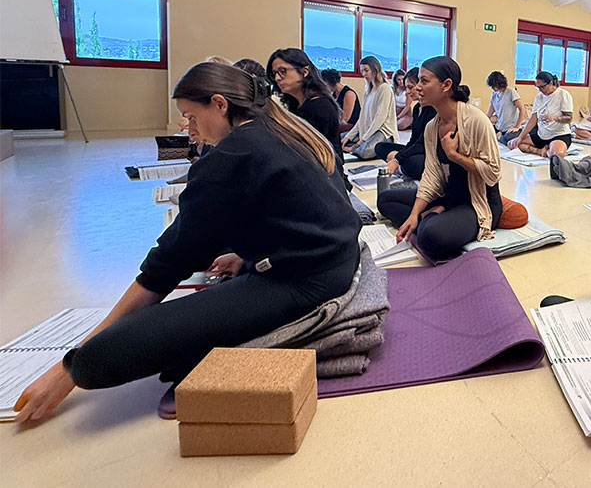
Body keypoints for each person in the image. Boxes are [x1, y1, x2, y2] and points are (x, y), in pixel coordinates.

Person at [14, 62, 362, 423]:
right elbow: (300, 213)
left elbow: (163, 269)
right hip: (333, 260)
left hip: (306, 282)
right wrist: (246, 257)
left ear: (219, 104)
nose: (189, 129)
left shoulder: (233, 154)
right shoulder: (277, 129)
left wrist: (67, 367)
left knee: (94, 361)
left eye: (192, 117)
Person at [376, 56, 502, 263]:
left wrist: (454, 156)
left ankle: (433, 220)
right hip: (447, 196)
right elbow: (431, 175)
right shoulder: (432, 126)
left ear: (446, 85)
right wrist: (415, 214)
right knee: (385, 200)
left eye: (424, 81)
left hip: (476, 201)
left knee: (431, 237)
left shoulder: (476, 120)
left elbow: (493, 173)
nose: (417, 87)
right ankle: (432, 217)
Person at [266, 49, 343, 166]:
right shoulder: (297, 103)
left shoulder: (319, 106)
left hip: (324, 171)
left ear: (305, 71)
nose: (277, 78)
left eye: (283, 71)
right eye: (275, 73)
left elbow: (308, 152)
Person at [373, 67, 436, 180]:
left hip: (427, 154)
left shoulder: (432, 109)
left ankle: (401, 166)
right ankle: (401, 165)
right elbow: (413, 140)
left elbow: (422, 144)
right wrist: (400, 155)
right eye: (406, 88)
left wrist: (397, 158)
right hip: (417, 149)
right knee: (380, 147)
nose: (407, 91)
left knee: (413, 163)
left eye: (410, 87)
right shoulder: (417, 108)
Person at [342, 56, 398, 160]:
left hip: (382, 131)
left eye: (366, 70)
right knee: (339, 139)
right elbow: (361, 118)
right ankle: (355, 148)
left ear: (375, 69)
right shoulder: (368, 91)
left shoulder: (385, 88)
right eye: (362, 71)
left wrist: (362, 141)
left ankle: (353, 149)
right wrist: (348, 137)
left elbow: (380, 118)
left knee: (365, 152)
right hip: (367, 131)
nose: (363, 74)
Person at [511, 72, 574, 158]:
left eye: (542, 87)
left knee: (557, 155)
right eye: (538, 87)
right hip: (541, 135)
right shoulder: (539, 97)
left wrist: (554, 118)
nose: (540, 90)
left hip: (558, 135)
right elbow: (533, 119)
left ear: (550, 83)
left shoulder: (563, 94)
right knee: (513, 144)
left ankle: (550, 149)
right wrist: (520, 137)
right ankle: (541, 151)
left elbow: (569, 118)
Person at [486, 71, 527, 139]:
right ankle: (499, 135)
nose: (492, 88)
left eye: (493, 86)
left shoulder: (511, 92)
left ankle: (500, 136)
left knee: (507, 139)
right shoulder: (494, 95)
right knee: (486, 134)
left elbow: (522, 109)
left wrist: (517, 127)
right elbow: (489, 113)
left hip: (511, 128)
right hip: (500, 127)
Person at [321, 69, 361, 134]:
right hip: (339, 124)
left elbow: (345, 119)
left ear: (331, 82)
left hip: (351, 127)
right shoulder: (333, 94)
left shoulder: (349, 94)